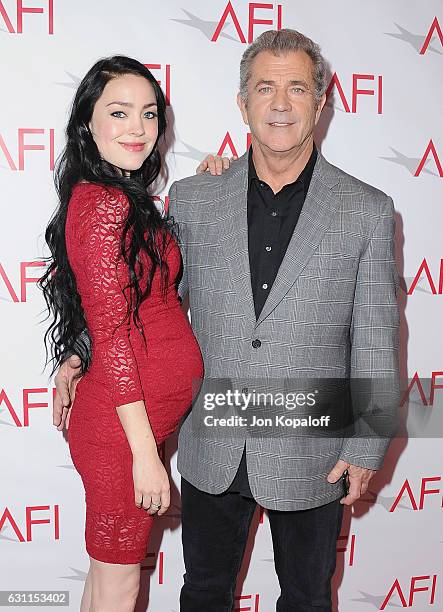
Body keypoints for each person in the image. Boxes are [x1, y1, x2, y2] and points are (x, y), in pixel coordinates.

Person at [55, 30, 400, 612]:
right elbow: (144, 297)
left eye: (298, 88)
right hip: (214, 437)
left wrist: (367, 446)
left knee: (308, 596)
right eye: (265, 88)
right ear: (243, 105)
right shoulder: (194, 198)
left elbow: (376, 338)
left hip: (311, 445)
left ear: (321, 104)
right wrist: (79, 353)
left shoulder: (366, 210)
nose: (281, 103)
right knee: (205, 594)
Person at [40, 55, 227, 612]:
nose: (137, 129)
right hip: (122, 435)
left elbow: (127, 303)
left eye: (149, 115)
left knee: (105, 580)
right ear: (87, 125)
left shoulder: (121, 199)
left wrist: (74, 357)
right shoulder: (103, 204)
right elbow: (116, 335)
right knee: (119, 586)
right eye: (118, 113)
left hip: (124, 426)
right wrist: (147, 455)